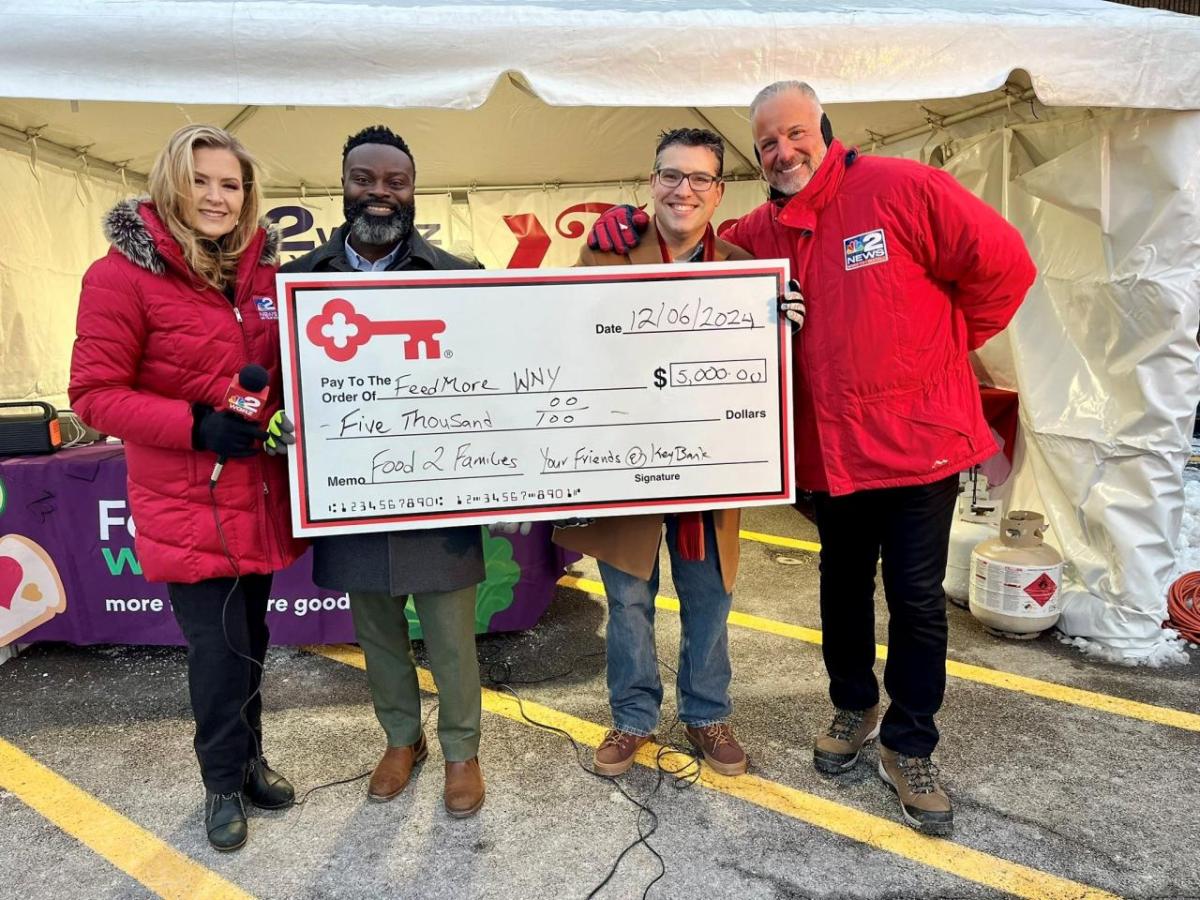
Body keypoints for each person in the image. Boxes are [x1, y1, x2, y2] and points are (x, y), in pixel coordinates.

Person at [587, 82, 1036, 834]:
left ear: (824, 131)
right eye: (767, 143)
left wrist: (938, 355)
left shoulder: (904, 187)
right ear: (754, 158)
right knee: (842, 586)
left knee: (919, 600)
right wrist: (622, 220)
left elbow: (1006, 269)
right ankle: (853, 707)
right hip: (832, 456)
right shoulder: (759, 232)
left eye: (794, 134)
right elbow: (693, 254)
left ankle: (910, 743)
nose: (783, 151)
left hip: (921, 450)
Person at [70, 124, 307, 851]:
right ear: (172, 182)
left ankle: (253, 759)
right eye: (201, 180)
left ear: (247, 195)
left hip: (258, 498)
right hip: (187, 502)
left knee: (254, 640)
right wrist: (195, 425)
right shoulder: (117, 277)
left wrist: (275, 422)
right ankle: (220, 783)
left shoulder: (264, 274)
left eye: (230, 184)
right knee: (216, 650)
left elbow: (285, 367)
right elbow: (94, 394)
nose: (215, 196)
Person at [279, 125, 487, 818]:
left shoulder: (460, 279)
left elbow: (492, 383)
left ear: (412, 190)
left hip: (439, 498)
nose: (379, 193)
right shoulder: (301, 282)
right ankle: (403, 740)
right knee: (376, 634)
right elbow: (282, 386)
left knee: (453, 640)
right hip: (349, 497)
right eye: (365, 179)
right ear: (342, 185)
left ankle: (462, 750)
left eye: (394, 182)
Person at [555, 128, 771, 778]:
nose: (684, 190)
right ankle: (633, 718)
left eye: (699, 178)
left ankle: (707, 713)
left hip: (711, 473)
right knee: (627, 601)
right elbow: (561, 331)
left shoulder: (743, 270)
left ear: (719, 191)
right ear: (651, 183)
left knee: (710, 598)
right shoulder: (604, 254)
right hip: (626, 469)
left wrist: (781, 320)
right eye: (671, 176)